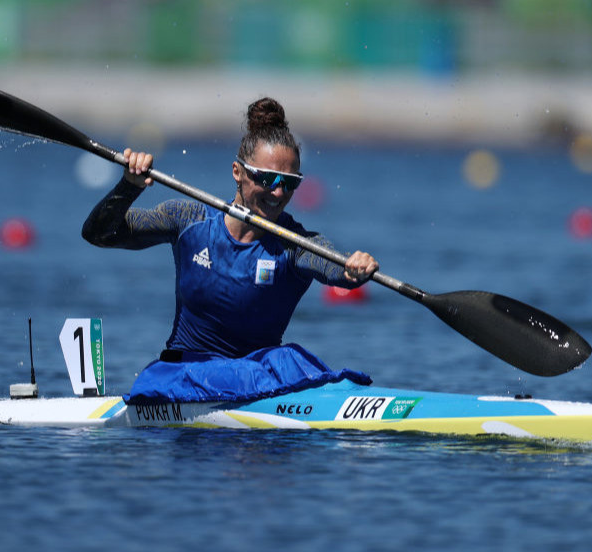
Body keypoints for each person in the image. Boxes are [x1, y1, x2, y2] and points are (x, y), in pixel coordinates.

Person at [82, 97, 379, 404]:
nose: (278, 192)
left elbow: (335, 269)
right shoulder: (188, 220)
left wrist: (352, 268)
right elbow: (98, 234)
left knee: (289, 358)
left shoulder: (295, 243)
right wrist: (129, 185)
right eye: (267, 179)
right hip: (185, 375)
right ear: (238, 172)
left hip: (261, 376)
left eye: (289, 183)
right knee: (258, 369)